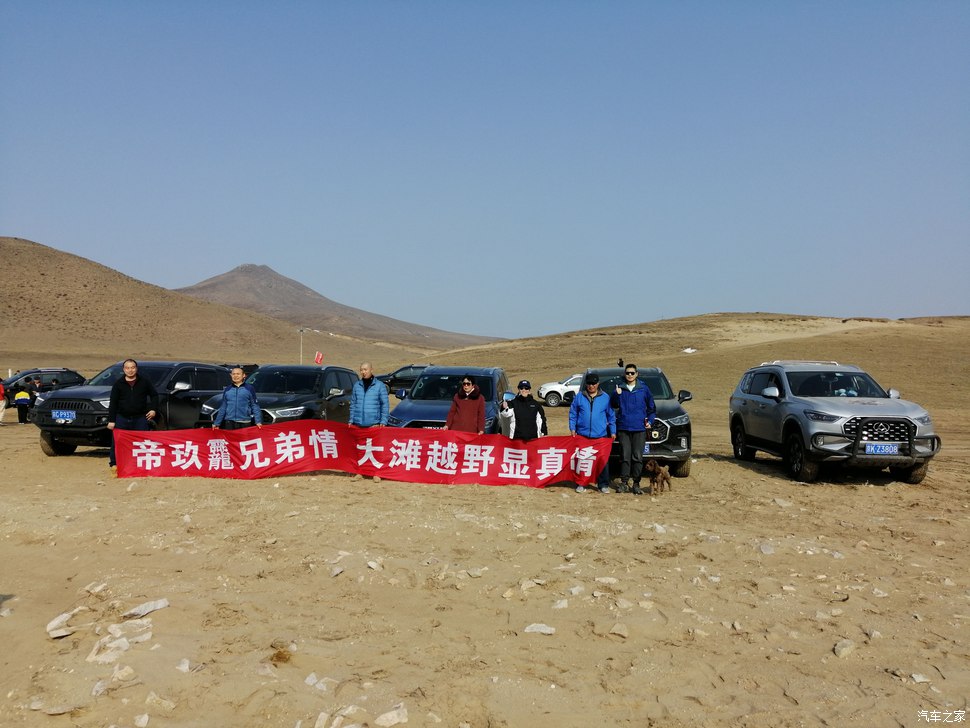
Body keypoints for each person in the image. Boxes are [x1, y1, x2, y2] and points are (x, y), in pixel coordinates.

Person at [610, 363, 657, 495]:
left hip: (639, 428)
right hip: (624, 427)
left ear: (637, 374)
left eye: (632, 373)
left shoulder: (644, 389)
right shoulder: (619, 388)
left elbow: (652, 409)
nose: (630, 375)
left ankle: (636, 483)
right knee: (625, 456)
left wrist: (650, 421)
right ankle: (624, 483)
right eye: (627, 373)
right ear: (624, 374)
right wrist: (616, 395)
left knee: (637, 456)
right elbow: (613, 405)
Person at [568, 373, 616, 493]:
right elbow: (573, 413)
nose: (591, 386)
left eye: (594, 383)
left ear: (598, 384)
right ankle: (581, 483)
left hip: (600, 435)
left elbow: (611, 416)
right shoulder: (579, 397)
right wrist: (572, 428)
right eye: (589, 383)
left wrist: (613, 431)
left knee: (602, 460)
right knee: (583, 460)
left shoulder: (605, 397)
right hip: (582, 435)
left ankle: (603, 484)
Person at [107, 359, 158, 469]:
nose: (130, 370)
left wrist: (153, 409)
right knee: (117, 441)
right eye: (127, 368)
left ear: (136, 368)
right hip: (122, 418)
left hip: (140, 418)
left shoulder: (144, 382)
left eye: (132, 367)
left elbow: (154, 395)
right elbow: (113, 402)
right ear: (123, 369)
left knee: (142, 442)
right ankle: (114, 464)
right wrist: (111, 420)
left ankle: (143, 465)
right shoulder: (118, 384)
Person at [349, 361, 389, 483]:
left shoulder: (380, 386)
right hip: (358, 423)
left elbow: (385, 404)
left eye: (365, 369)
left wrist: (383, 420)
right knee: (360, 450)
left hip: (374, 423)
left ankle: (377, 473)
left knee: (376, 450)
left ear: (371, 370)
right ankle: (360, 472)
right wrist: (351, 419)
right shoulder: (357, 386)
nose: (363, 372)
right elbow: (353, 404)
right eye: (361, 370)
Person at [212, 366, 262, 430]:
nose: (235, 376)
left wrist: (258, 421)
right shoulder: (227, 389)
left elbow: (254, 405)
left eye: (238, 374)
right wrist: (217, 423)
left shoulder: (249, 388)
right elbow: (223, 407)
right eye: (233, 374)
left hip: (245, 422)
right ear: (231, 375)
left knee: (244, 440)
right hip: (229, 422)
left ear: (244, 375)